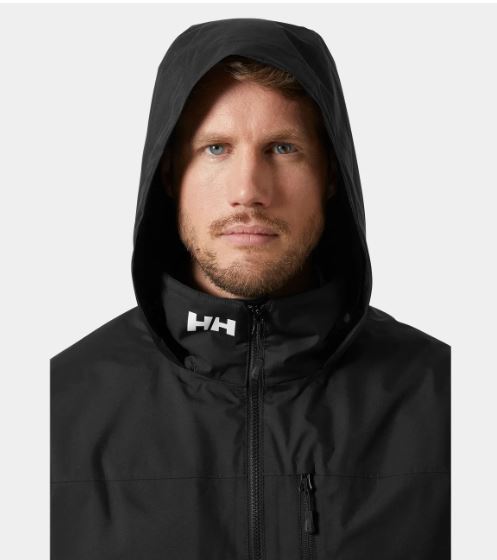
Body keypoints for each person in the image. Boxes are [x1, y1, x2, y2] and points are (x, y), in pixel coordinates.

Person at [51, 17, 450, 560]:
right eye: (216, 148)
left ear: (331, 175)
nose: (248, 190)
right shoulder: (55, 410)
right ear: (170, 173)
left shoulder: (449, 402)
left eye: (282, 148)